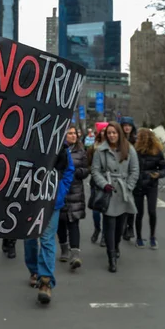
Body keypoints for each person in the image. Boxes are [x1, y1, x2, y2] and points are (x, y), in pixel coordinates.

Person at [25, 144, 74, 304]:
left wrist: (60, 192)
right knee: (30, 238)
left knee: (46, 239)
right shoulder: (29, 141)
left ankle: (45, 281)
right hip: (30, 199)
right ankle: (34, 270)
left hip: (52, 200)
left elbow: (69, 170)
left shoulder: (61, 146)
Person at [91, 122, 139, 273]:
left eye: (114, 133)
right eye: (109, 133)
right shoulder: (100, 151)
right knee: (109, 225)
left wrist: (129, 186)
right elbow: (95, 171)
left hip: (124, 191)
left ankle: (117, 245)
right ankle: (111, 256)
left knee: (120, 226)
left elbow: (135, 170)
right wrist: (104, 184)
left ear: (119, 134)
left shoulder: (129, 149)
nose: (112, 135)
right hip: (109, 191)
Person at [58, 126, 90, 269]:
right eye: (69, 133)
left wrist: (76, 172)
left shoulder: (81, 151)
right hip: (61, 190)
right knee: (61, 222)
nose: (73, 136)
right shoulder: (58, 149)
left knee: (74, 222)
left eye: (74, 133)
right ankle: (64, 248)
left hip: (75, 191)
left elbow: (86, 169)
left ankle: (75, 254)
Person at [133, 129, 165, 250]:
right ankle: (139, 237)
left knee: (152, 211)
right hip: (138, 184)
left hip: (151, 184)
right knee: (139, 212)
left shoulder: (157, 152)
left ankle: (153, 236)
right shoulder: (135, 152)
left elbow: (164, 168)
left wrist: (158, 174)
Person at [87, 122, 108, 247]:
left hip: (109, 182)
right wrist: (95, 171)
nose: (105, 133)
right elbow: (88, 164)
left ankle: (105, 235)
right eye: (103, 130)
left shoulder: (114, 147)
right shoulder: (93, 148)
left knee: (107, 209)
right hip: (95, 182)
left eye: (107, 130)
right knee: (96, 210)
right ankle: (97, 228)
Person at [119, 116, 137, 241]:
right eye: (125, 125)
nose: (127, 127)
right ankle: (123, 226)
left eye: (129, 125)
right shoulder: (118, 140)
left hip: (133, 174)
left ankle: (130, 226)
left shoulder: (136, 140)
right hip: (120, 174)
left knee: (131, 203)